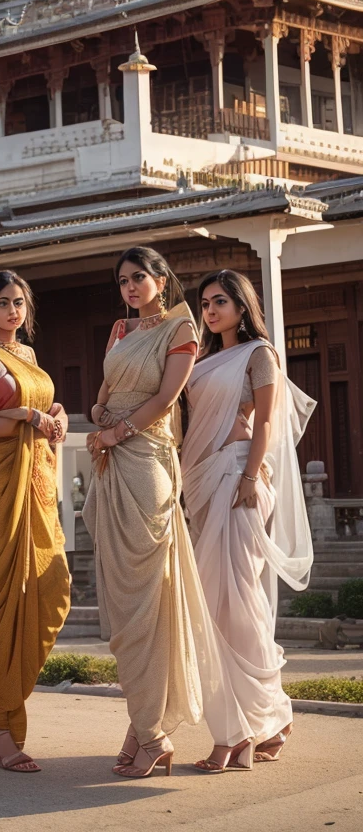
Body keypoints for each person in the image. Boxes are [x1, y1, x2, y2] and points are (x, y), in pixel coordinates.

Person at [82, 246, 219, 779]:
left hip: (146, 464)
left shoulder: (182, 327)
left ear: (162, 280)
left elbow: (166, 396)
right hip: (110, 460)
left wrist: (116, 430)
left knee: (148, 603)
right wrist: (98, 414)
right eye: (123, 281)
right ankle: (143, 725)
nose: (131, 287)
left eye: (140, 277)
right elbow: (105, 391)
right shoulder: (119, 330)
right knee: (122, 605)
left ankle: (154, 735)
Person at [184, 270, 315, 772]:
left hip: (239, 478)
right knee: (215, 606)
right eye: (205, 303)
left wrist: (249, 477)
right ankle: (268, 720)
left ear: (242, 305)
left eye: (220, 301)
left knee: (238, 602)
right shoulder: (203, 360)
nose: (211, 310)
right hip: (203, 482)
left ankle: (240, 734)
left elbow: (265, 421)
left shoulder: (260, 355)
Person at [0, 271, 71, 773]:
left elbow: (45, 412)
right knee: (4, 600)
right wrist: (28, 416)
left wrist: (57, 416)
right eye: (2, 303)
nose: (12, 311)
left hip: (38, 481)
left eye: (19, 303)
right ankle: (1, 726)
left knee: (51, 592)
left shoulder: (28, 357)